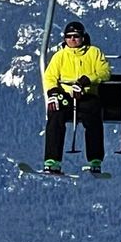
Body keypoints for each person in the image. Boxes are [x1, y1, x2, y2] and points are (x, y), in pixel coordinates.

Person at [42, 21, 112, 174]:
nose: (72, 40)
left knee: (93, 116)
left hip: (86, 94)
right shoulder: (60, 56)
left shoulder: (93, 53)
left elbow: (104, 71)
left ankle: (95, 159)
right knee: (55, 115)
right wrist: (53, 92)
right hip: (66, 95)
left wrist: (87, 80)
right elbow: (50, 76)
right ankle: (52, 159)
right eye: (69, 36)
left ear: (83, 37)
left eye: (76, 36)